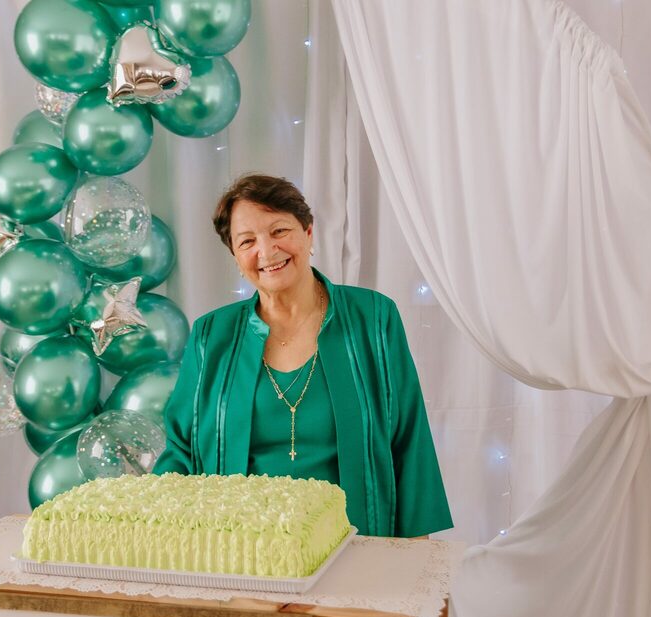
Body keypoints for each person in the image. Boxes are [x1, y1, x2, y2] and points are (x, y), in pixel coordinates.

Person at [153, 172, 452, 540]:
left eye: (279, 231)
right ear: (235, 256)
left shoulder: (373, 317)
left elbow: (409, 436)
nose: (266, 250)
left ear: (308, 233)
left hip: (354, 541)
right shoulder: (211, 335)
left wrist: (413, 554)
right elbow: (181, 450)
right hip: (242, 546)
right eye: (247, 241)